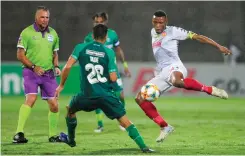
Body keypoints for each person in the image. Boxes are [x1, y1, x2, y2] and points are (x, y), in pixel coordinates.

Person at [135, 10, 232, 143]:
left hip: (175, 66)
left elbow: (197, 37)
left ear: (166, 22)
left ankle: (210, 90)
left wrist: (218, 46)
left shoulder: (173, 31)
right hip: (162, 72)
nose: (158, 25)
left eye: (161, 22)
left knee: (177, 81)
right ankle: (165, 127)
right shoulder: (153, 32)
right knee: (140, 98)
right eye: (155, 22)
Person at [55, 24, 153, 153]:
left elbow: (67, 67)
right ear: (106, 36)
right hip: (105, 95)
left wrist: (61, 85)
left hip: (86, 95)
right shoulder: (108, 52)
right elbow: (113, 77)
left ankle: (71, 140)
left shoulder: (80, 47)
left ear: (93, 35)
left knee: (70, 111)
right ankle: (144, 147)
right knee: (125, 121)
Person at [13, 6, 61, 143]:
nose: (45, 20)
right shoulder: (26, 33)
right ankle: (19, 133)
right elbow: (20, 55)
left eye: (47, 17)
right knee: (31, 99)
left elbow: (54, 53)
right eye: (42, 17)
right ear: (36, 17)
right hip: (31, 72)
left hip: (48, 74)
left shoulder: (53, 34)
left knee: (54, 105)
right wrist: (33, 67)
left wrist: (56, 66)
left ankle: (53, 136)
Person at [84, 12, 131, 133]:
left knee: (120, 95)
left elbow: (118, 49)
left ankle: (122, 120)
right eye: (96, 22)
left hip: (112, 70)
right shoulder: (89, 38)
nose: (99, 24)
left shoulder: (112, 34)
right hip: (98, 72)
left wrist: (125, 65)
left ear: (105, 22)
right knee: (98, 98)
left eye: (101, 22)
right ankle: (100, 125)